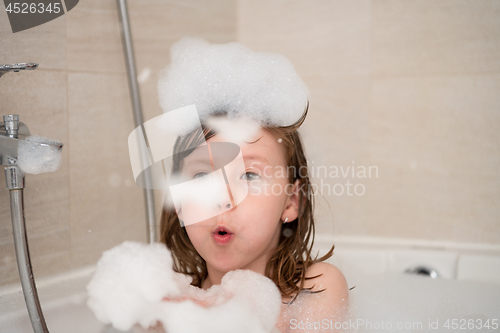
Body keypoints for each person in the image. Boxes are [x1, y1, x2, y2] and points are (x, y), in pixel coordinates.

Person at [158, 104, 349, 332]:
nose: (222, 198)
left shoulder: (315, 288)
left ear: (290, 201)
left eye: (249, 175)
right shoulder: (172, 302)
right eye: (202, 175)